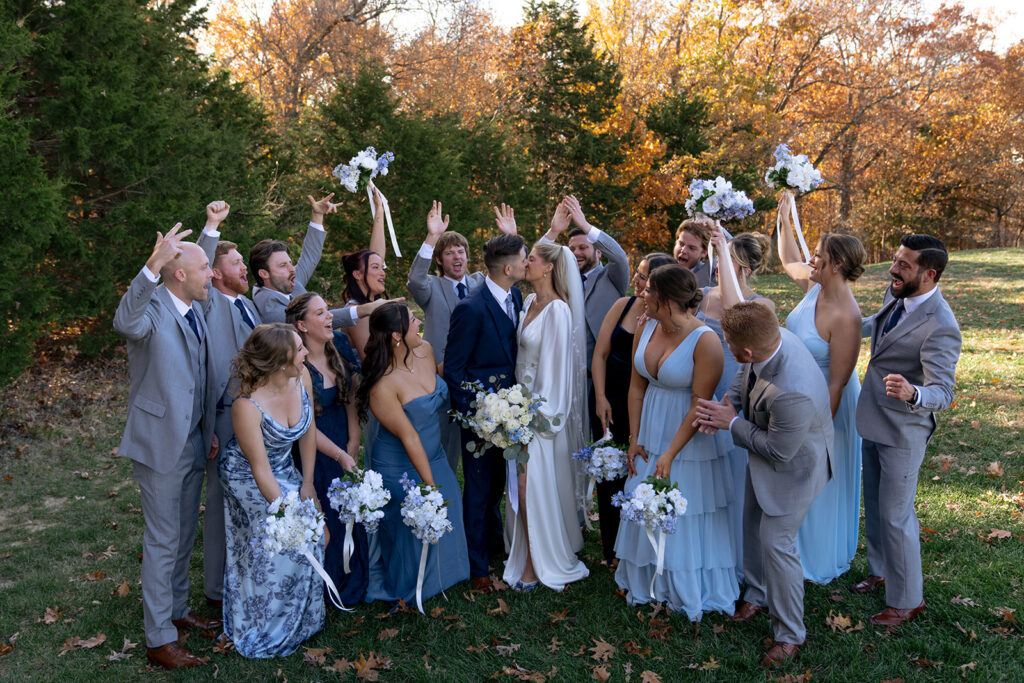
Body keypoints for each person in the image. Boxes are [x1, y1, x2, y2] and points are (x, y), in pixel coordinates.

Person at [695, 303, 834, 667]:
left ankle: (790, 635)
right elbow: (746, 373)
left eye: (729, 343)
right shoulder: (770, 337)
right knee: (751, 523)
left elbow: (778, 451)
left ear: (748, 348)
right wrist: (729, 405)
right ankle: (757, 592)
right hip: (767, 453)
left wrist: (732, 425)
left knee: (777, 543)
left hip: (796, 467)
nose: (727, 346)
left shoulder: (794, 390)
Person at [113, 223, 220, 669]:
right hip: (159, 443)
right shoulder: (151, 309)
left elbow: (195, 376)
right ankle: (159, 638)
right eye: (204, 269)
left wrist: (206, 427)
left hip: (194, 439)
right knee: (162, 539)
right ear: (178, 275)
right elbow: (124, 320)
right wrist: (154, 264)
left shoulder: (195, 305)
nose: (211, 275)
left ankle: (177, 610)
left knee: (182, 534)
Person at [614, 265, 739, 620]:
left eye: (649, 290)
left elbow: (700, 404)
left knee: (686, 509)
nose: (642, 294)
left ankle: (683, 587)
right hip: (650, 426)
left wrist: (670, 452)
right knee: (645, 495)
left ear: (667, 299)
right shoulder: (646, 325)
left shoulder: (706, 340)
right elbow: (636, 386)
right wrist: (634, 438)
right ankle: (646, 579)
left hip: (688, 435)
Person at [850, 234, 961, 627]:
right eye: (896, 260)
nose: (894, 269)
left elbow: (943, 391)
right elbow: (876, 328)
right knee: (877, 506)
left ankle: (907, 600)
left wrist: (913, 392)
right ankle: (880, 570)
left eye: (904, 264)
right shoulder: (896, 292)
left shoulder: (942, 325)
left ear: (929, 274)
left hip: (904, 431)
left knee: (897, 514)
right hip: (872, 418)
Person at [219, 323, 325, 658]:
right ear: (281, 362)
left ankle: (304, 619)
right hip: (245, 477)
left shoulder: (301, 377)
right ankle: (264, 623)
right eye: (299, 347)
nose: (306, 350)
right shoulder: (246, 406)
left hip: (284, 468)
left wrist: (308, 485)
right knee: (278, 543)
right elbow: (259, 469)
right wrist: (288, 513)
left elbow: (308, 432)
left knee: (316, 534)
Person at [777, 193, 867, 584]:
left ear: (838, 265)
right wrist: (783, 216)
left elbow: (837, 381)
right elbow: (786, 257)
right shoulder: (814, 288)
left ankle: (816, 557)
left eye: (818, 255)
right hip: (797, 393)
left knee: (817, 477)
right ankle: (789, 550)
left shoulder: (847, 315)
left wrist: (816, 433)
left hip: (830, 407)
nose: (811, 260)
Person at [359, 303, 470, 604]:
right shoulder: (382, 385)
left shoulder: (426, 350)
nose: (419, 320)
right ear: (397, 335)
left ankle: (447, 575)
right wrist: (430, 487)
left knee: (451, 508)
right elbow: (409, 436)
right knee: (416, 520)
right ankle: (413, 584)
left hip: (433, 453)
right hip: (399, 466)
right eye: (412, 320)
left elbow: (439, 385)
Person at [503, 241, 590, 592]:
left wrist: (533, 417)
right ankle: (523, 550)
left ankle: (535, 564)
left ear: (549, 267)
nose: (526, 263)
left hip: (539, 416)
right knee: (519, 487)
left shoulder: (558, 311)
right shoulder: (528, 303)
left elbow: (557, 373)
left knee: (527, 488)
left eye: (532, 259)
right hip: (515, 410)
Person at [444, 230, 526, 593]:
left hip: (511, 412)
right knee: (478, 489)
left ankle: (495, 544)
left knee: (496, 486)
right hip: (479, 417)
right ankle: (477, 568)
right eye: (524, 259)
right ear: (508, 268)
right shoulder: (471, 308)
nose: (528, 263)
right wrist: (476, 417)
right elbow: (455, 370)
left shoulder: (517, 295)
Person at [405, 201, 516, 471]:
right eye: (450, 253)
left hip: (481, 381)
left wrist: (511, 238)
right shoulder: (432, 287)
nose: (457, 258)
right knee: (445, 447)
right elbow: (415, 280)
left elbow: (509, 272)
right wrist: (432, 238)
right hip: (444, 377)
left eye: (461, 252)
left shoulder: (482, 283)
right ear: (440, 260)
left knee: (483, 458)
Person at [696, 226, 775, 581]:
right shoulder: (698, 296)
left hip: (732, 403)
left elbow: (733, 312)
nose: (715, 266)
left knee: (732, 487)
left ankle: (738, 565)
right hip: (696, 396)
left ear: (740, 266)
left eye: (724, 259)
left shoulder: (760, 306)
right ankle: (703, 556)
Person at [196, 200, 263, 611]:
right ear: (214, 273)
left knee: (249, 496)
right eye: (236, 263)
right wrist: (212, 227)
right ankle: (215, 591)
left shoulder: (250, 305)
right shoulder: (208, 303)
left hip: (254, 415)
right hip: (223, 416)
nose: (244, 269)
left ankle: (246, 576)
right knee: (222, 503)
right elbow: (200, 260)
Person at [590, 252, 674, 566]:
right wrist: (599, 397)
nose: (636, 281)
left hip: (643, 402)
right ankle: (611, 549)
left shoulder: (666, 317)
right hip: (606, 397)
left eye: (643, 277)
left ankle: (636, 548)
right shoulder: (622, 305)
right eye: (637, 274)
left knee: (636, 469)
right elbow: (599, 354)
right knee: (608, 470)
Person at [286, 292, 368, 606]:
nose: (329, 317)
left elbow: (350, 399)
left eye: (327, 311)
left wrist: (353, 441)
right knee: (326, 516)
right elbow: (304, 426)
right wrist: (340, 453)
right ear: (302, 325)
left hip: (343, 442)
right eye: (320, 314)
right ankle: (326, 587)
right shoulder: (295, 365)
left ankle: (354, 579)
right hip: (314, 450)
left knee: (349, 510)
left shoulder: (339, 349)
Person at [250, 193, 392, 329]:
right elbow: (311, 321)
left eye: (289, 263)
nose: (292, 268)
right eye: (282, 265)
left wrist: (317, 215)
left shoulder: (288, 280)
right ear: (264, 273)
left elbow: (310, 256)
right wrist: (362, 310)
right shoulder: (267, 304)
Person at [539, 195, 629, 375]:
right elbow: (535, 263)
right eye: (572, 249)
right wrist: (553, 232)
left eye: (583, 248)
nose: (576, 253)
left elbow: (619, 257)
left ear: (599, 252)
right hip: (565, 373)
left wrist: (586, 226)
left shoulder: (612, 276)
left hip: (602, 375)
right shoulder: (560, 278)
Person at [673, 218, 715, 288]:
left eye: (691, 248)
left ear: (704, 252)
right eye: (681, 244)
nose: (683, 251)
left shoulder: (709, 276)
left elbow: (732, 251)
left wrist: (715, 228)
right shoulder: (661, 269)